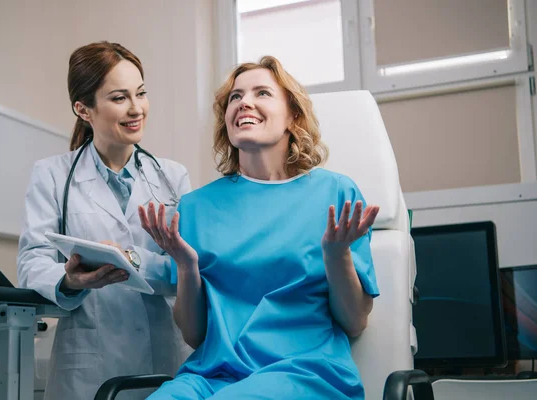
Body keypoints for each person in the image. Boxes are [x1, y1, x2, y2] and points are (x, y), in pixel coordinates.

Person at [139, 55, 380, 399]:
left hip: (305, 372)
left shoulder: (335, 194)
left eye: (262, 93)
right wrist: (186, 266)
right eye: (235, 97)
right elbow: (194, 336)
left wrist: (335, 253)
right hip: (212, 376)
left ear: (293, 116)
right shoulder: (195, 208)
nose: (244, 102)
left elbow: (355, 321)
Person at [17, 41, 191, 400]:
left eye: (140, 93)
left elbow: (187, 266)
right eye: (119, 98)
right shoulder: (51, 175)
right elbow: (31, 261)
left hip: (166, 360)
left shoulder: (173, 178)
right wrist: (69, 279)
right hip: (90, 365)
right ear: (83, 109)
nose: (136, 108)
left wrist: (134, 262)